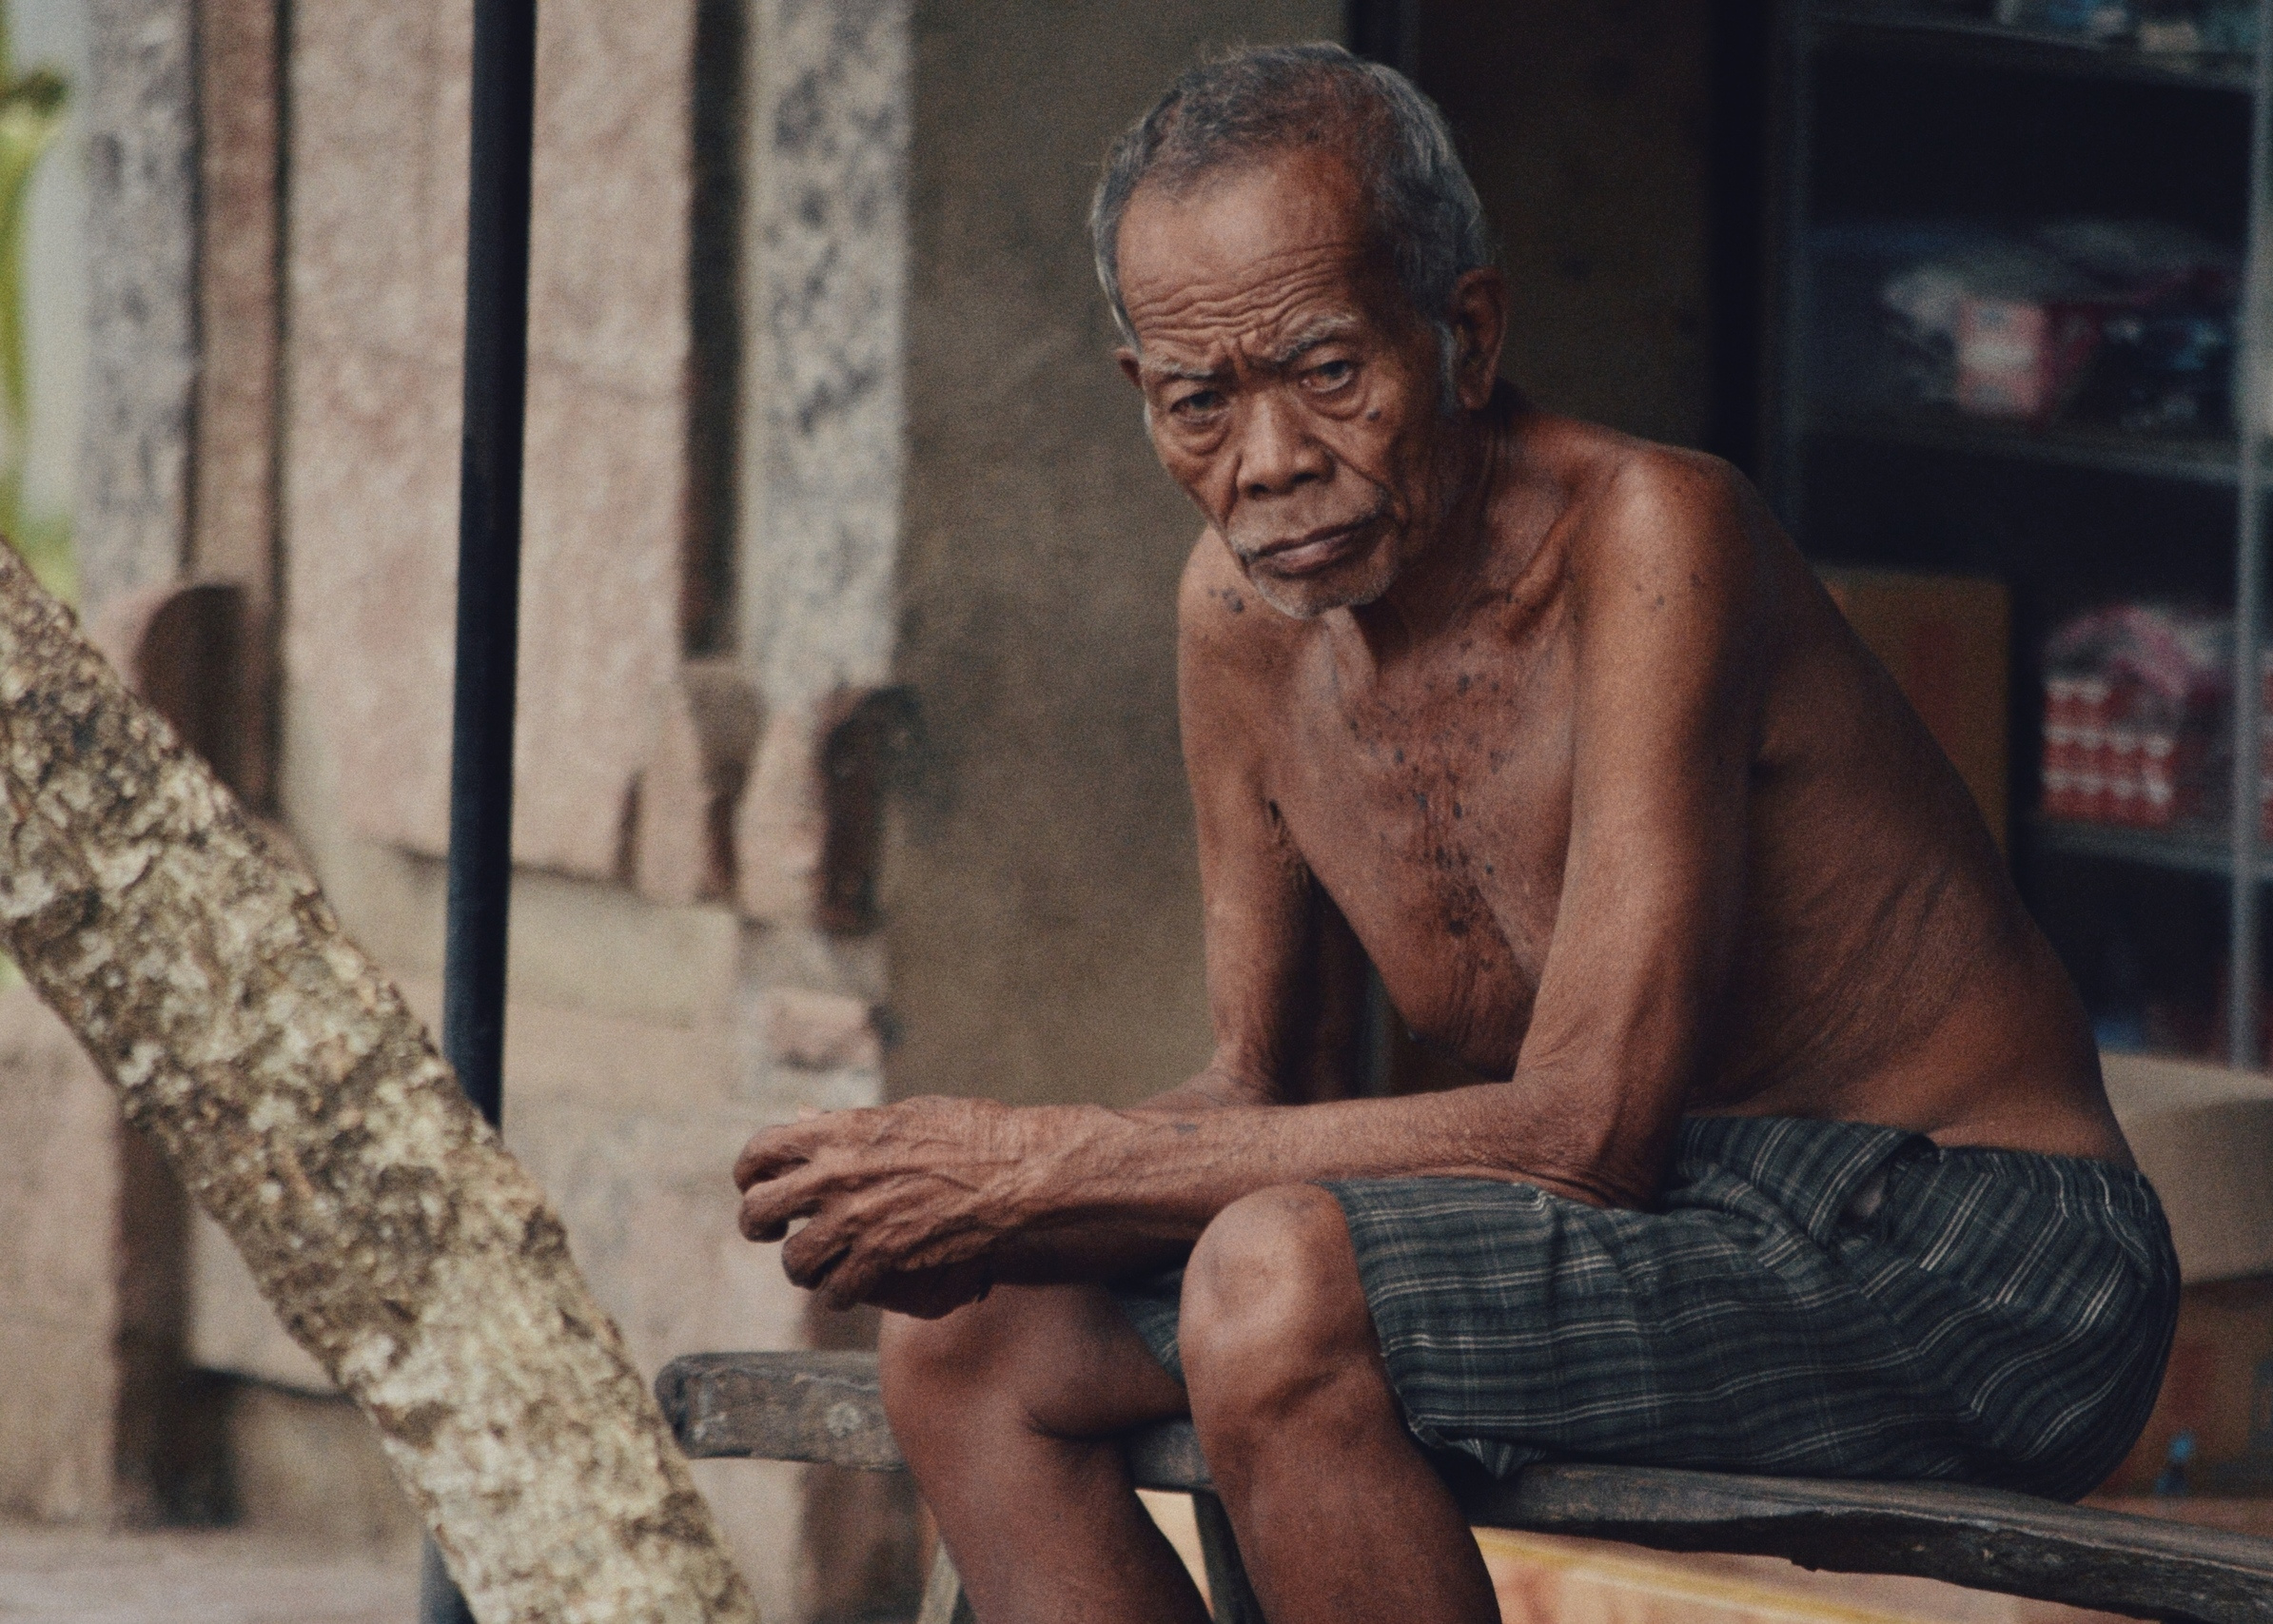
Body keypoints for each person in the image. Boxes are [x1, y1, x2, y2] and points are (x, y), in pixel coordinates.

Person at [733, 43, 2177, 1624]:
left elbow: (1588, 1130)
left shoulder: (1652, 539)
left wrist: (1048, 1163)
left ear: (1466, 338)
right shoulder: (1238, 617)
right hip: (1681, 1227)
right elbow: (1256, 1090)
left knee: (1275, 1287)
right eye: (1201, 401)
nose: (1270, 461)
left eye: (1330, 371)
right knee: (969, 1337)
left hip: (1982, 1257)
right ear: (1141, 397)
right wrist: (991, 1201)